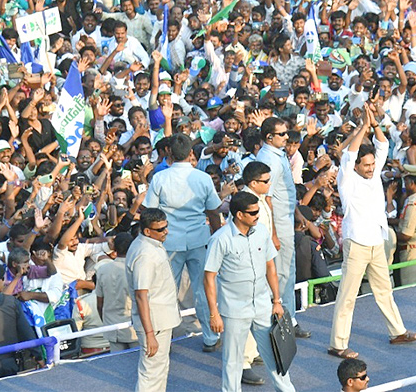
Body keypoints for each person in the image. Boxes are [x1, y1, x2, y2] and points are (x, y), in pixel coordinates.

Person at [328, 104, 416, 359]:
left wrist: (375, 125)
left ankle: (397, 332)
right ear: (356, 165)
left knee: (384, 290)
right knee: (348, 296)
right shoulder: (346, 178)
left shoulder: (373, 172)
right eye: (366, 165)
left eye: (371, 164)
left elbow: (382, 146)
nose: (370, 168)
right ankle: (338, 344)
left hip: (376, 240)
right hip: (356, 242)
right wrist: (362, 128)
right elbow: (350, 152)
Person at [204, 192, 295, 392]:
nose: (257, 215)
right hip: (234, 309)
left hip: (262, 304)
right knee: (233, 360)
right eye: (253, 212)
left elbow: (270, 266)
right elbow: (209, 277)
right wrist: (214, 314)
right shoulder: (220, 239)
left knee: (275, 354)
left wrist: (277, 301)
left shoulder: (261, 232)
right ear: (239, 214)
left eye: (258, 211)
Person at [145, 133, 223, 352]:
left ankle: (163, 339)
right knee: (203, 290)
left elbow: (150, 210)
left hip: (169, 241)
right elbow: (214, 212)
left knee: (166, 292)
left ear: (168, 153)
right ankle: (210, 338)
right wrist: (218, 236)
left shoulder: (160, 178)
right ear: (191, 153)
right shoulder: (203, 178)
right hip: (199, 238)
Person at [256, 117, 307, 338]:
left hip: (285, 218)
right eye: (282, 134)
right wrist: (274, 233)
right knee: (283, 272)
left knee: (286, 271)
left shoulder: (277, 156)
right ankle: (284, 321)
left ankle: (287, 318)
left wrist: (295, 214)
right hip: (277, 223)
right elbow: (266, 198)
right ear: (270, 137)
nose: (287, 137)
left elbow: (282, 192)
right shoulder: (270, 160)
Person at [126, 208, 181, 392]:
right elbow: (141, 295)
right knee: (151, 373)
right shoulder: (146, 254)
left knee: (158, 369)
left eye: (166, 227)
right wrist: (150, 334)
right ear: (147, 231)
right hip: (154, 322)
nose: (166, 231)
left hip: (159, 319)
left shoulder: (149, 244)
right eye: (161, 229)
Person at [96, 232, 139, 352]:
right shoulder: (136, 269)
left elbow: (99, 304)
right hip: (134, 328)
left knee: (118, 364)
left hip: (112, 327)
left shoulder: (102, 270)